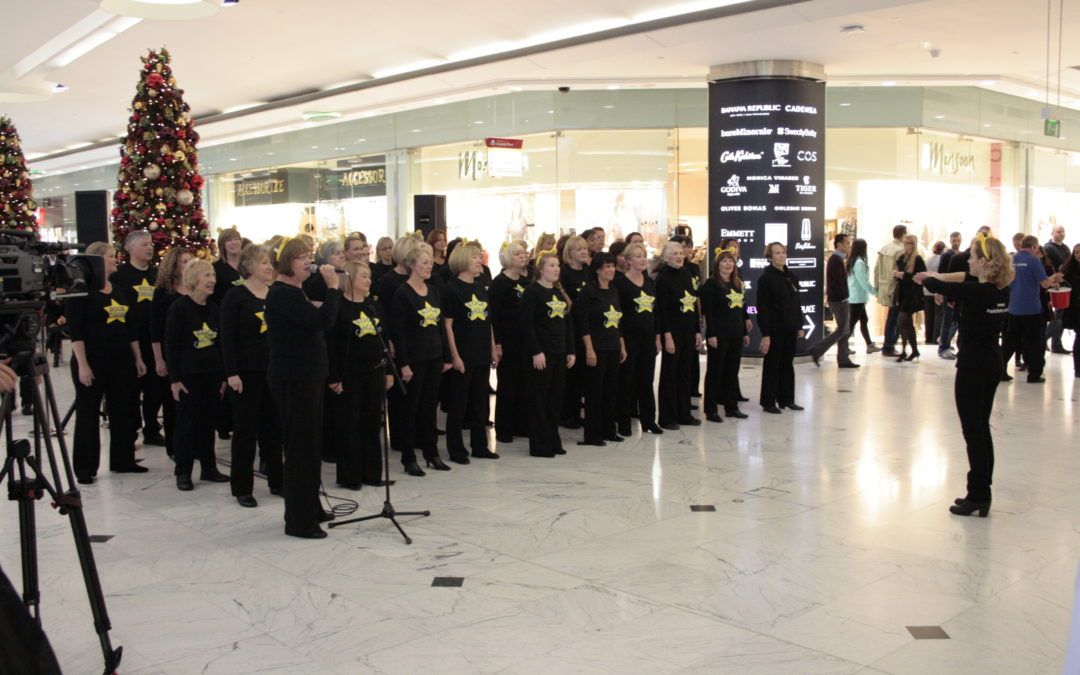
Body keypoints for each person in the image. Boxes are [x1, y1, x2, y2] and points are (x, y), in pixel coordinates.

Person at [916, 234, 1014, 517]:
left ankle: (979, 494)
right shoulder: (998, 290)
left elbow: (937, 284)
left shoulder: (977, 292)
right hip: (991, 363)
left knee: (973, 432)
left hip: (973, 366)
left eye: (972, 257)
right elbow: (963, 284)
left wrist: (928, 277)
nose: (968, 261)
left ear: (983, 262)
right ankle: (980, 492)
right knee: (981, 430)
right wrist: (942, 281)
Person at [265, 238, 341, 539]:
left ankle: (310, 507)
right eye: (302, 258)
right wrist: (333, 287)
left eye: (309, 256)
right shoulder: (283, 294)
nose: (308, 262)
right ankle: (299, 520)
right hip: (294, 379)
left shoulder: (295, 292)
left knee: (311, 447)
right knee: (300, 451)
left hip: (306, 377)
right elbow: (323, 321)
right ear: (286, 263)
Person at [66, 242, 147, 484]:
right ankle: (85, 468)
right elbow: (75, 332)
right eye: (111, 256)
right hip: (92, 360)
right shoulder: (80, 291)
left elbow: (129, 326)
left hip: (120, 359)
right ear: (98, 261)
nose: (116, 260)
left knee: (122, 410)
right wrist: (83, 365)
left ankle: (123, 460)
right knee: (88, 414)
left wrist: (138, 358)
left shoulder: (118, 289)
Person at [220, 245, 281, 507]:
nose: (269, 267)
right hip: (245, 374)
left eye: (270, 262)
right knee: (245, 431)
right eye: (264, 262)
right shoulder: (235, 296)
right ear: (249, 266)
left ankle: (278, 481)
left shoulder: (275, 293)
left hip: (273, 372)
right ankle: (242, 487)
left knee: (273, 429)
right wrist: (231, 372)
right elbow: (227, 338)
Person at [328, 260, 393, 490]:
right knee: (349, 425)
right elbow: (331, 346)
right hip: (348, 375)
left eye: (369, 276)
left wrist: (388, 370)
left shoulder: (372, 306)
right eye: (363, 276)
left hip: (374, 372)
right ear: (350, 279)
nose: (369, 280)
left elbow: (383, 340)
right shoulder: (339, 308)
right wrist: (334, 378)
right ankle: (350, 475)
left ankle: (372, 473)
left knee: (371, 423)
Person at [165, 259, 229, 491]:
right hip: (187, 376)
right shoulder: (179, 308)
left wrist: (223, 376)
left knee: (208, 422)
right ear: (193, 280)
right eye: (206, 276)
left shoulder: (214, 308)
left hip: (212, 374)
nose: (212, 280)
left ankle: (209, 468)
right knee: (186, 424)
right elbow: (170, 345)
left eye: (212, 275)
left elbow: (222, 344)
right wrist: (174, 379)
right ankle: (183, 471)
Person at [390, 244, 452, 476]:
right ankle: (409, 457)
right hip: (414, 359)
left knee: (429, 408)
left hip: (434, 356)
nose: (429, 266)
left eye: (430, 263)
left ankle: (431, 453)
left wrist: (445, 355)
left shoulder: (434, 291)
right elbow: (398, 332)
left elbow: (440, 326)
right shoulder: (402, 294)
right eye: (424, 263)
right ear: (412, 266)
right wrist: (403, 363)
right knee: (410, 409)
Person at [442, 241, 499, 463]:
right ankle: (456, 450)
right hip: (463, 353)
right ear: (464, 260)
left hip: (482, 352)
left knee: (479, 402)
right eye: (475, 257)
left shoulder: (481, 286)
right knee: (458, 404)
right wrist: (454, 356)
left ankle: (480, 446)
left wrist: (493, 347)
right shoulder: (451, 289)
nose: (480, 261)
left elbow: (488, 321)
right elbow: (447, 326)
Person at [110, 230, 163, 446]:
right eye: (144, 244)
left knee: (155, 387)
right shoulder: (119, 276)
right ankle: (131, 433)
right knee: (132, 389)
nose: (149, 248)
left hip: (154, 338)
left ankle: (152, 428)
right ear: (130, 249)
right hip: (131, 338)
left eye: (150, 244)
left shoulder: (157, 275)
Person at [520, 249, 575, 457]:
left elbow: (567, 324)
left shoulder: (558, 292)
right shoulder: (532, 292)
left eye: (557, 265)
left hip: (559, 351)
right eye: (551, 265)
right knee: (539, 399)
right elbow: (526, 325)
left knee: (555, 399)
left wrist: (570, 350)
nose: (556, 269)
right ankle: (539, 444)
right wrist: (536, 351)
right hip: (541, 353)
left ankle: (553, 439)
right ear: (541, 270)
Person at [574, 252, 626, 446]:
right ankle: (592, 434)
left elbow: (618, 320)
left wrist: (622, 345)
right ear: (597, 270)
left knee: (611, 391)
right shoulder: (588, 291)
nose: (611, 270)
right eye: (607, 267)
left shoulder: (613, 290)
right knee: (594, 392)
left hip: (613, 346)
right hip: (596, 347)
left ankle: (609, 430)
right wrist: (589, 349)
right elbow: (582, 322)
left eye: (613, 266)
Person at [614, 242, 662, 435]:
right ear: (628, 260)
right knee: (626, 381)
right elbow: (617, 315)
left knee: (646, 380)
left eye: (644, 255)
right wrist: (622, 342)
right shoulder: (620, 283)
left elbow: (655, 310)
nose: (643, 259)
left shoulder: (649, 281)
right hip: (629, 339)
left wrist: (657, 336)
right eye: (638, 256)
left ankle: (649, 421)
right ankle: (624, 423)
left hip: (648, 338)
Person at [1002, 235, 1063, 383]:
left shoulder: (1012, 259)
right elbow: (1044, 284)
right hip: (1032, 308)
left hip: (1014, 307)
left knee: (1010, 341)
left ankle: (999, 370)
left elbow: (1006, 281)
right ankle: (1034, 374)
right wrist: (1054, 277)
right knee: (1036, 342)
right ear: (1035, 247)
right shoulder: (1034, 261)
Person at [150, 246, 192, 459]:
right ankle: (174, 448)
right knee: (172, 403)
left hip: (193, 354)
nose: (188, 265)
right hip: (170, 352)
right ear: (173, 265)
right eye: (184, 261)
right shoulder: (163, 293)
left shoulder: (195, 289)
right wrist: (159, 359)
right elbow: (156, 330)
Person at [655, 240, 702, 429]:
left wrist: (697, 331)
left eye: (681, 253)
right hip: (672, 332)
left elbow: (692, 304)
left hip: (688, 330)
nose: (678, 256)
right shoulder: (663, 278)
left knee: (685, 374)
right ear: (666, 257)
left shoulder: (687, 274)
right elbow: (662, 310)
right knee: (670, 375)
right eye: (674, 254)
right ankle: (667, 417)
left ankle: (684, 414)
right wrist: (667, 335)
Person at [700, 248, 750, 422]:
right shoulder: (711, 284)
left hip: (736, 333)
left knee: (731, 372)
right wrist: (711, 334)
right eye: (724, 261)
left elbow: (741, 309)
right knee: (715, 372)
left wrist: (744, 331)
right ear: (717, 264)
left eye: (731, 260)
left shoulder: (737, 284)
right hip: (719, 335)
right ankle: (710, 409)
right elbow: (708, 312)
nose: (728, 264)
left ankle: (731, 407)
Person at [489, 240, 531, 443]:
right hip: (507, 340)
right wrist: (497, 344)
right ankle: (504, 428)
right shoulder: (500, 283)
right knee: (508, 384)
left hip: (526, 340)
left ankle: (522, 424)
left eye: (524, 253)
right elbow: (494, 316)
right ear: (507, 258)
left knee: (525, 384)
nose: (523, 256)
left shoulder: (528, 280)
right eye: (517, 254)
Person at [757, 242, 805, 414]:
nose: (782, 255)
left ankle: (787, 399)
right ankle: (768, 401)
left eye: (783, 252)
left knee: (787, 364)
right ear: (770, 257)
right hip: (775, 329)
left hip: (791, 327)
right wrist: (766, 334)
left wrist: (799, 325)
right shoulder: (766, 279)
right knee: (772, 365)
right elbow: (763, 308)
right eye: (777, 253)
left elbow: (796, 303)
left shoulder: (791, 276)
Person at [809, 234, 858, 368]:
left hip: (839, 299)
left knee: (845, 330)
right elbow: (837, 282)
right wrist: (843, 296)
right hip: (839, 300)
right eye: (847, 243)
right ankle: (818, 350)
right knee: (842, 329)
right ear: (839, 244)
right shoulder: (835, 260)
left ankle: (843, 358)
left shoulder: (837, 259)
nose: (849, 246)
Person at [559, 235, 591, 428]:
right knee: (570, 373)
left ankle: (577, 412)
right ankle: (566, 414)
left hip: (586, 326)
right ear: (570, 252)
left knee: (582, 374)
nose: (584, 252)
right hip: (570, 326)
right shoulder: (564, 273)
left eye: (585, 249)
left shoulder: (588, 271)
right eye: (579, 249)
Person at [893, 234, 927, 362]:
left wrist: (904, 275)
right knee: (906, 323)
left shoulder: (917, 259)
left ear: (913, 245)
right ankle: (913, 350)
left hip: (912, 295)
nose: (906, 245)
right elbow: (898, 274)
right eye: (905, 242)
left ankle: (905, 350)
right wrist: (897, 275)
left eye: (909, 243)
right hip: (902, 293)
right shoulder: (902, 258)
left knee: (902, 320)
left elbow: (920, 277)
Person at [874, 224, 907, 355]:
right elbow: (901, 271)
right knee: (896, 318)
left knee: (892, 317)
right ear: (904, 234)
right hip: (896, 288)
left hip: (885, 286)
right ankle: (889, 346)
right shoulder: (900, 251)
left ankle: (888, 345)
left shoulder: (885, 248)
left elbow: (877, 270)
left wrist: (877, 287)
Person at [846, 238, 879, 354]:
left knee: (863, 320)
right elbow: (863, 282)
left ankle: (869, 345)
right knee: (852, 322)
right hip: (857, 298)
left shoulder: (853, 261)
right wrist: (876, 293)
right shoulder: (859, 263)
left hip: (856, 297)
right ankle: (843, 346)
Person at [936, 231, 963, 360]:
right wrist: (939, 291)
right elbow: (941, 273)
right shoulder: (947, 255)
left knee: (955, 320)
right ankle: (943, 347)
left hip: (957, 292)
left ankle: (944, 341)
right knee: (948, 320)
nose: (956, 243)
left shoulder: (961, 255)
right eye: (954, 241)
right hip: (948, 291)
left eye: (958, 240)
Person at [1044, 224, 1071, 354]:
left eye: (1063, 231)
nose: (1061, 234)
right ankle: (1043, 338)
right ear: (1052, 233)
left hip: (1064, 286)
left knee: (1061, 315)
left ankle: (1056, 344)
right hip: (1054, 286)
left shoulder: (1065, 248)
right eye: (1058, 231)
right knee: (1058, 316)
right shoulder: (1048, 248)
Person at [211, 226, 243, 306]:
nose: (234, 242)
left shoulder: (248, 265)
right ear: (222, 244)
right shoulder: (215, 268)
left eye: (236, 239)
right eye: (229, 240)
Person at [1061, 244, 1080, 377]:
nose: (1078, 255)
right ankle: (1078, 369)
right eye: (1077, 252)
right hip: (1075, 309)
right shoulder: (1068, 269)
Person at [924, 241, 945, 345]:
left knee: (928, 316)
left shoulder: (927, 259)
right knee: (938, 316)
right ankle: (935, 338)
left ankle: (928, 338)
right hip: (937, 290)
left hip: (926, 291)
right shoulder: (942, 259)